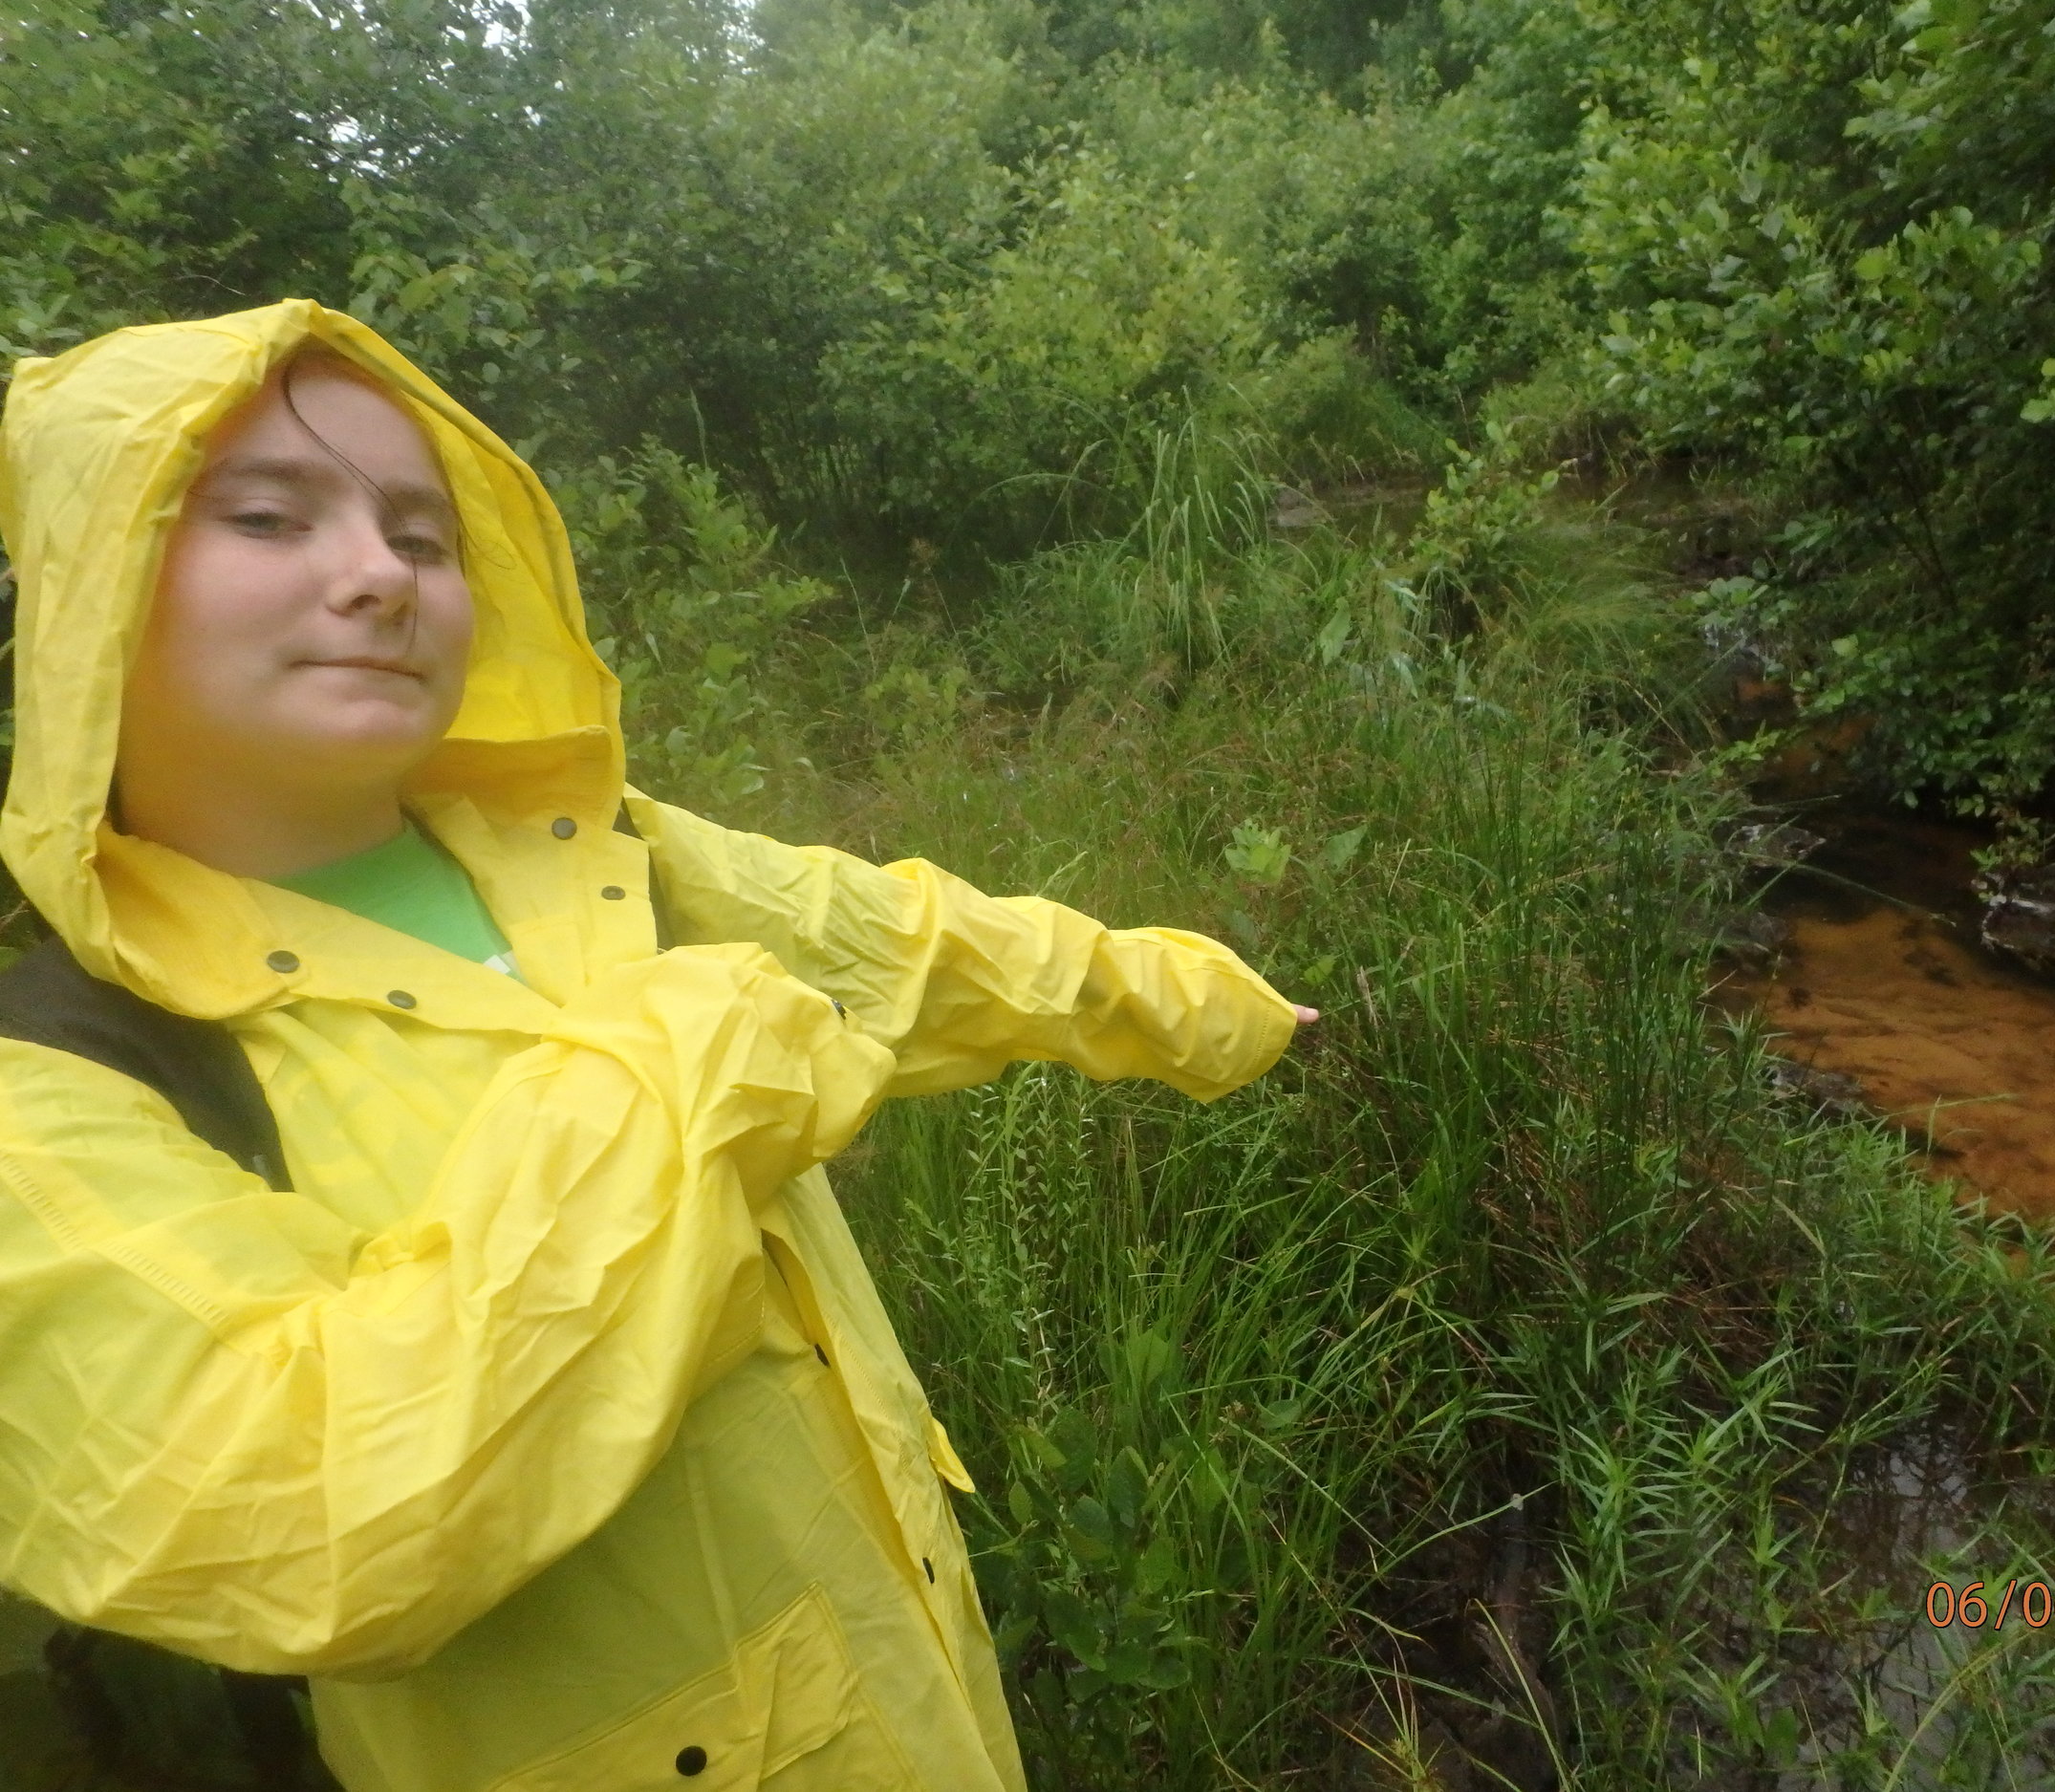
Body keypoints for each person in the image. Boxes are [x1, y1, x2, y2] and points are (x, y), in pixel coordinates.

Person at [0, 299, 1315, 1792]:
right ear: (87, 589)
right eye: (267, 516)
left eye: (423, 535)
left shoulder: (590, 852)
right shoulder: (55, 1096)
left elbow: (905, 943)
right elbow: (306, 1510)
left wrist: (1215, 1010)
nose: (378, 576)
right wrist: (697, 1061)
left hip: (920, 1699)